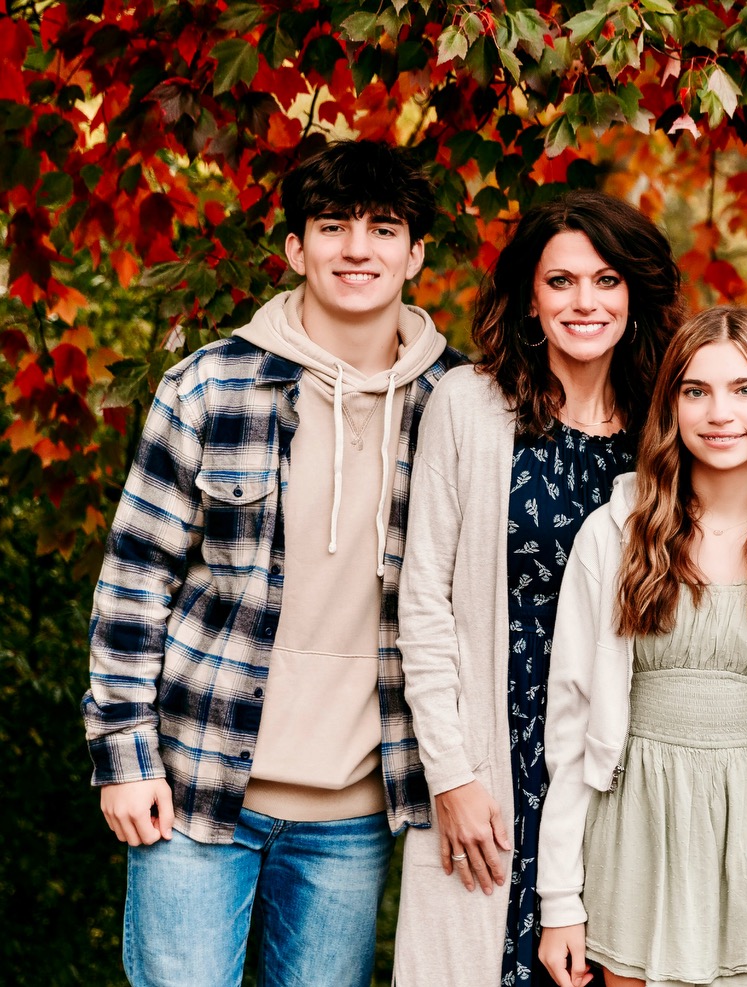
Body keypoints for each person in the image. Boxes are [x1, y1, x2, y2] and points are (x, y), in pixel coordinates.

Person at [81, 139, 464, 986]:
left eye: (383, 228)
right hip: (196, 787)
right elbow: (134, 583)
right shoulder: (208, 386)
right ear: (296, 249)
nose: (357, 248)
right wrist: (124, 753)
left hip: (353, 812)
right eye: (332, 226)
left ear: (416, 252)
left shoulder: (456, 404)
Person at [535, 305, 747, 987]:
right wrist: (559, 898)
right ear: (671, 407)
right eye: (697, 390)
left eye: (745, 389)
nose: (720, 411)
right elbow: (570, 726)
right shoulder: (614, 537)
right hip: (636, 836)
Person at [393, 190, 683, 986]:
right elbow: (423, 603)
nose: (584, 302)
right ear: (529, 295)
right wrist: (451, 773)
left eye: (606, 280)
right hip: (500, 757)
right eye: (560, 282)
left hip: (627, 764)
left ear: (636, 293)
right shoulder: (469, 405)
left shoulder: (671, 423)